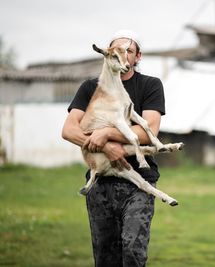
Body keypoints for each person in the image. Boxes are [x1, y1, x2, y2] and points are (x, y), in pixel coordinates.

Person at [62, 29, 165, 267]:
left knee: (132, 251)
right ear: (108, 56)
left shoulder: (150, 85)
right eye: (117, 50)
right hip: (100, 184)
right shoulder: (90, 88)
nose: (123, 55)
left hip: (139, 181)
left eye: (129, 50)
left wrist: (107, 134)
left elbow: (148, 132)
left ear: (137, 57)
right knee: (105, 257)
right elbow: (69, 130)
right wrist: (107, 149)